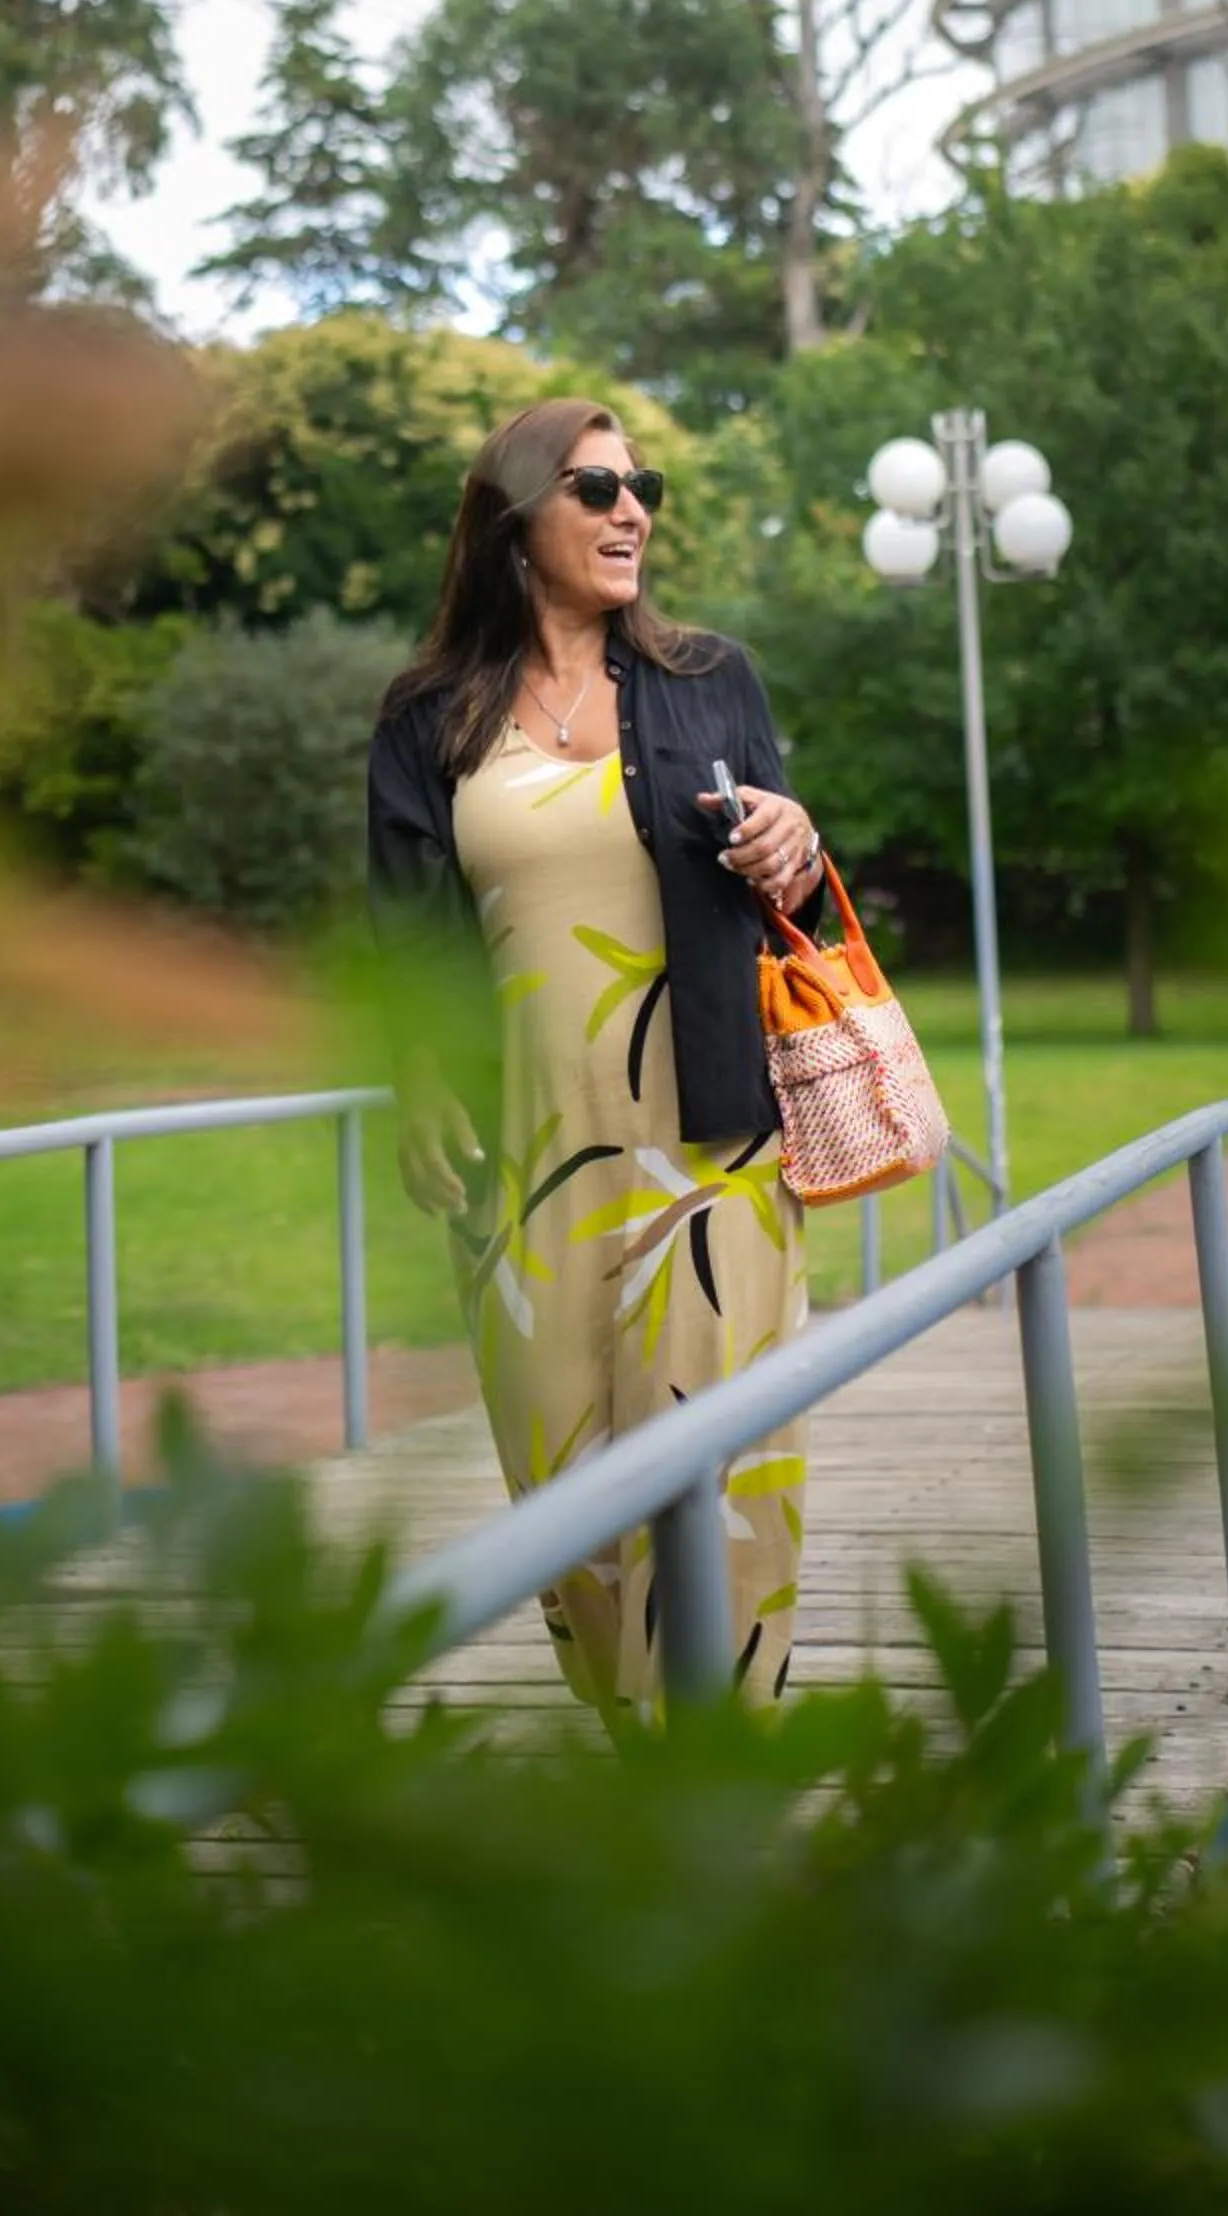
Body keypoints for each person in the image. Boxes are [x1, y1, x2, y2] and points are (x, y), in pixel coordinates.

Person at [366, 397, 822, 1721]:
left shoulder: (707, 679)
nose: (633, 512)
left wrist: (793, 836)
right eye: (597, 489)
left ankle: (716, 1802)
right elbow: (401, 936)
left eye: (645, 490)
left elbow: (785, 880)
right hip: (523, 1178)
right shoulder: (428, 716)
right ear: (515, 521)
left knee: (721, 1491)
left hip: (713, 1156)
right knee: (573, 1522)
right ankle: (651, 1785)